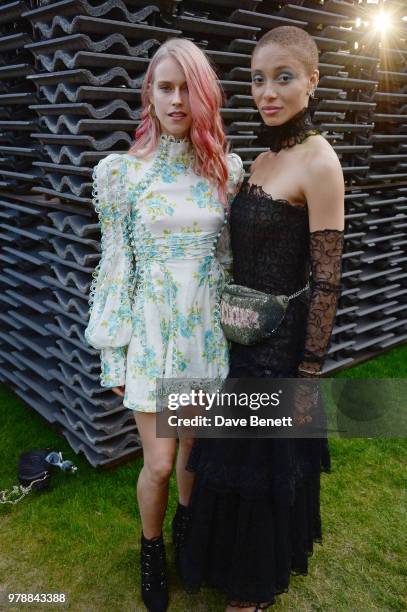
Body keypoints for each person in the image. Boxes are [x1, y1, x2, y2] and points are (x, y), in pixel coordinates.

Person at [179, 26, 345, 611]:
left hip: (281, 346)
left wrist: (307, 372)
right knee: (229, 456)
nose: (267, 91)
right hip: (241, 332)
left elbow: (326, 277)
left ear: (312, 82)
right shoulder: (268, 155)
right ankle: (228, 563)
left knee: (258, 462)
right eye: (257, 79)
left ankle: (251, 590)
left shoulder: (320, 163)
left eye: (284, 77)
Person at [84, 38, 244, 611]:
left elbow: (226, 262)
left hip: (203, 335)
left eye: (188, 88)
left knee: (193, 455)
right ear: (149, 94)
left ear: (204, 95)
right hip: (151, 337)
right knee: (158, 462)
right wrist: (114, 353)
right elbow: (115, 270)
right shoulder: (121, 175)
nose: (178, 100)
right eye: (166, 86)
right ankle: (151, 550)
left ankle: (188, 533)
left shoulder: (225, 170)